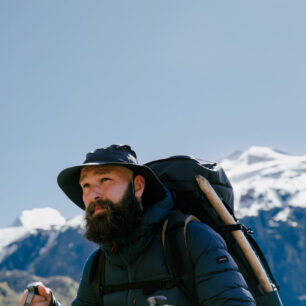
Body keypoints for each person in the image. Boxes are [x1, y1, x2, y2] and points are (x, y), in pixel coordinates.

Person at [20, 144, 256, 306]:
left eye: (105, 179)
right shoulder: (98, 265)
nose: (94, 193)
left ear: (138, 187)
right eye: (86, 185)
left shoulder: (192, 238)